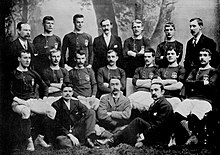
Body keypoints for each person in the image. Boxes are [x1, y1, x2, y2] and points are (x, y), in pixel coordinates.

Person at [103, 78, 174, 147]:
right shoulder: (156, 103)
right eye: (151, 90)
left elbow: (158, 126)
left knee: (138, 122)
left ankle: (113, 140)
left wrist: (143, 136)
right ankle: (115, 139)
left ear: (162, 92)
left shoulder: (165, 105)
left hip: (161, 137)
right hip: (154, 132)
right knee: (135, 124)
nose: (153, 93)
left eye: (156, 90)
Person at [10, 50, 55, 151]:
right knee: (26, 111)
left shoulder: (32, 73)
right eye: (25, 58)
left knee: (52, 111)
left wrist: (44, 98)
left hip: (32, 100)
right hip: (18, 102)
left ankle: (40, 138)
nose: (27, 60)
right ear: (19, 59)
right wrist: (19, 100)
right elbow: (7, 92)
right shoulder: (13, 73)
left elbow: (45, 86)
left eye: (29, 58)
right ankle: (28, 141)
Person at [174, 48, 217, 145]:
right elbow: (188, 83)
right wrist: (203, 83)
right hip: (191, 99)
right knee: (178, 113)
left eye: (205, 55)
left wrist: (196, 84)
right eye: (200, 55)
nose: (202, 57)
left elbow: (211, 86)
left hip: (205, 100)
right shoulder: (194, 71)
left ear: (210, 58)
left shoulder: (213, 71)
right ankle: (191, 135)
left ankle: (195, 136)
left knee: (194, 116)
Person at [50, 83, 97, 148]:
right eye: (65, 91)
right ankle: (82, 141)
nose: (68, 93)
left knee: (91, 112)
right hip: (64, 133)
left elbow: (88, 113)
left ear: (72, 93)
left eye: (70, 91)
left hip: (76, 129)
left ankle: (89, 138)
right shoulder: (56, 105)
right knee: (60, 141)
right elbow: (56, 124)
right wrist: (69, 135)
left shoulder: (76, 103)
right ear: (61, 93)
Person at [128, 48, 157, 119]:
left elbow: (154, 83)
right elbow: (134, 82)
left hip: (149, 94)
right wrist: (148, 81)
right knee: (127, 102)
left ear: (153, 58)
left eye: (149, 57)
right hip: (138, 93)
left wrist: (140, 82)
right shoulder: (139, 69)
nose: (146, 59)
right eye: (145, 57)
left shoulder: (156, 69)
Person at [157, 46, 185, 111]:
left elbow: (179, 85)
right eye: (168, 54)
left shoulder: (181, 69)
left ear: (177, 55)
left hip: (174, 97)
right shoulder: (161, 69)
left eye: (172, 54)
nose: (170, 56)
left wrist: (163, 86)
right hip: (161, 97)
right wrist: (173, 82)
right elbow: (156, 82)